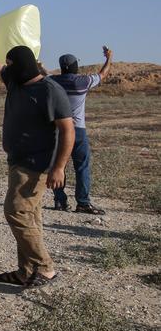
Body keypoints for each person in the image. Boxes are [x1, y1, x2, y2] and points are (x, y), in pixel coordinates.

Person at [0, 20, 74, 287]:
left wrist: (59, 167)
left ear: (23, 66)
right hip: (18, 161)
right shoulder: (16, 81)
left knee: (16, 212)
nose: (5, 69)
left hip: (36, 164)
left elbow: (68, 130)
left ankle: (44, 268)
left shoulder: (49, 90)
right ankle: (25, 271)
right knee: (29, 216)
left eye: (10, 65)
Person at [50, 47, 112, 214]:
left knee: (58, 165)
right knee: (82, 166)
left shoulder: (53, 82)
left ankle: (60, 200)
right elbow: (103, 74)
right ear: (76, 66)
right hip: (77, 130)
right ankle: (83, 202)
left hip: (58, 130)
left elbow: (43, 77)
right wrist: (108, 58)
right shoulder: (82, 82)